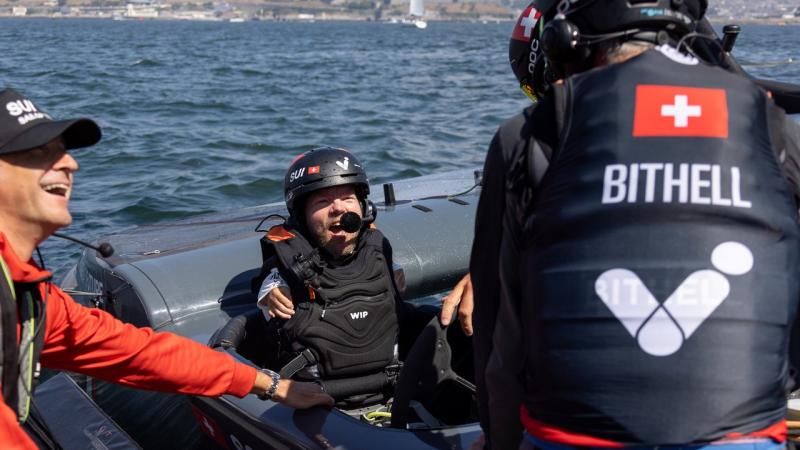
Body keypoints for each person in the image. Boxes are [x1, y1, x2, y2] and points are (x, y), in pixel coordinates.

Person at [471, 0, 800, 448]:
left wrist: (498, 442)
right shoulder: (774, 127)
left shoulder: (528, 135)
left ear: (567, 40)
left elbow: (500, 346)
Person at [0, 88, 334, 449]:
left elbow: (138, 354)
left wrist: (270, 385)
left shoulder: (29, 292)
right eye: (39, 153)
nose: (70, 164)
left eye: (63, 152)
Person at [253, 146, 403, 402]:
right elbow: (272, 277)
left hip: (392, 389)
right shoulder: (286, 264)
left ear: (364, 207)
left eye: (347, 198)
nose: (338, 209)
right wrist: (271, 290)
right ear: (301, 216)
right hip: (316, 401)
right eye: (323, 202)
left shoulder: (378, 249)